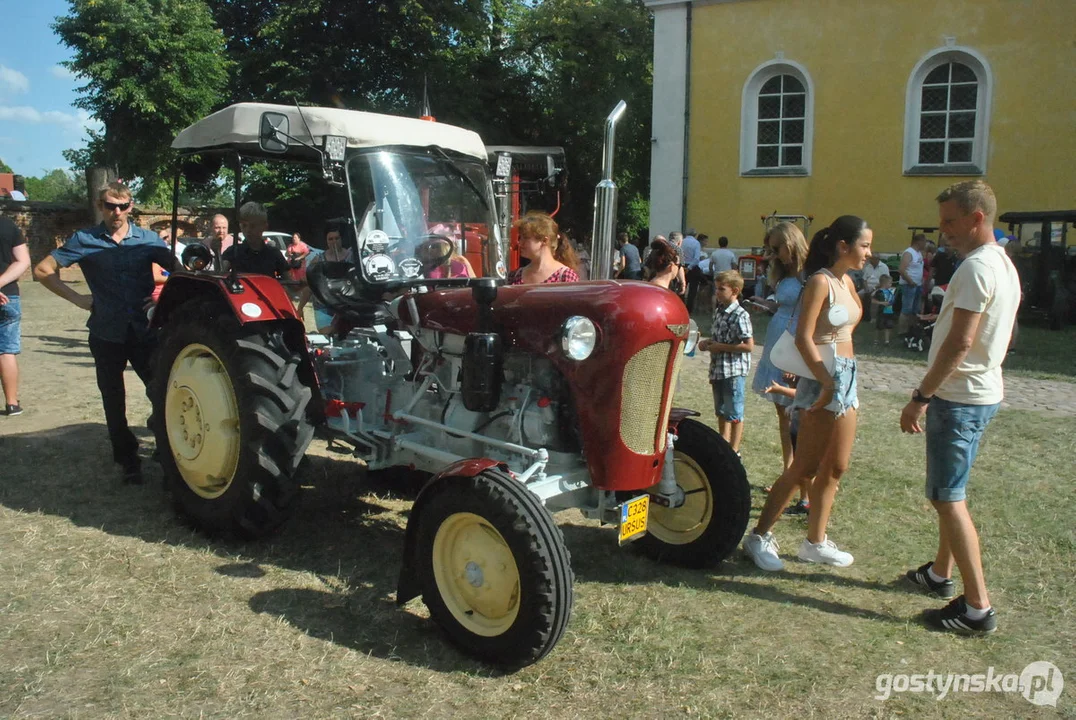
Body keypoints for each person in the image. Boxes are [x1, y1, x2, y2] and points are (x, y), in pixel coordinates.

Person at [900, 180, 1019, 635]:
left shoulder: (975, 268)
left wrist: (921, 397)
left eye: (950, 222)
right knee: (953, 491)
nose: (942, 230)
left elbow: (961, 342)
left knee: (947, 498)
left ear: (977, 219)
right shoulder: (1002, 264)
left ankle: (977, 609)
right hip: (982, 392)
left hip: (960, 398)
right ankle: (939, 575)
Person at [742, 215, 871, 571]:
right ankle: (759, 536)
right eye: (864, 245)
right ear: (843, 247)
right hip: (823, 378)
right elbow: (803, 336)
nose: (869, 253)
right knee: (805, 466)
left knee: (836, 466)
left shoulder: (848, 282)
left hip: (847, 377)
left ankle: (815, 541)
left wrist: (840, 380)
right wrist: (825, 382)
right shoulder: (820, 282)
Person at [33, 182, 175, 483]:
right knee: (113, 399)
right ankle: (128, 462)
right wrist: (78, 299)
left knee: (163, 392)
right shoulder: (85, 239)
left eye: (123, 206)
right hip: (106, 332)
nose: (117, 212)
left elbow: (181, 272)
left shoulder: (148, 240)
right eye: (110, 206)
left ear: (131, 206)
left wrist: (163, 299)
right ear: (100, 206)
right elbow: (43, 270)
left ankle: (168, 451)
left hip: (144, 331)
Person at [749, 221, 809, 508]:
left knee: (798, 417)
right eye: (770, 249)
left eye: (777, 247)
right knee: (782, 417)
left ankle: (802, 482)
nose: (774, 254)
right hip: (777, 338)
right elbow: (785, 305)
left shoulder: (810, 273)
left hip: (797, 343)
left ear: (791, 242)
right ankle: (789, 473)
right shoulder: (784, 272)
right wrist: (766, 304)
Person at [699, 270, 753, 454]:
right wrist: (707, 343)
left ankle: (734, 449)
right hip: (718, 368)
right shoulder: (719, 311)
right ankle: (724, 444)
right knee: (721, 410)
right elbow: (717, 337)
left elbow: (748, 345)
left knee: (735, 411)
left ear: (735, 291)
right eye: (716, 289)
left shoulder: (740, 314)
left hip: (733, 370)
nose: (717, 293)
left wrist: (721, 347)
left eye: (722, 289)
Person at [0, 215, 30, 416]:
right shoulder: (8, 225)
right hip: (7, 295)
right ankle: (11, 403)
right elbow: (23, 261)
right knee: (6, 350)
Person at [297, 225, 352, 333]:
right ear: (326, 241)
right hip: (324, 307)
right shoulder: (318, 260)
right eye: (330, 239)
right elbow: (310, 286)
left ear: (341, 239)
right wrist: (300, 308)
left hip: (348, 306)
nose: (334, 242)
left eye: (337, 238)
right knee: (328, 333)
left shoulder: (351, 257)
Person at [221, 202, 291, 279]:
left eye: (253, 226)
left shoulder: (273, 253)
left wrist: (300, 285)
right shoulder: (233, 251)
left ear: (264, 226)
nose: (248, 230)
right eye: (244, 225)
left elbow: (290, 283)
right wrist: (217, 252)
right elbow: (220, 275)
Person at [507, 211, 579, 285]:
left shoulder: (565, 277)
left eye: (525, 238)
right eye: (520, 238)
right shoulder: (514, 276)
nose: (520, 243)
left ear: (544, 240)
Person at [898, 232, 928, 335]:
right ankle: (902, 331)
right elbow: (902, 270)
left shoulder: (918, 253)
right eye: (924, 242)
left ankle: (911, 329)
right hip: (909, 285)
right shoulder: (909, 253)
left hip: (917, 285)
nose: (925, 244)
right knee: (906, 309)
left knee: (915, 309)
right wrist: (910, 281)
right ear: (918, 242)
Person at [858, 253, 891, 319]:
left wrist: (875, 288)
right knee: (858, 295)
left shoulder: (884, 267)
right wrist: (866, 288)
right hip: (868, 286)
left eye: (871, 259)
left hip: (879, 287)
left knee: (872, 295)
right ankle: (860, 314)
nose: (870, 260)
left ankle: (873, 317)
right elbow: (864, 280)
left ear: (877, 259)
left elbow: (886, 281)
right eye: (870, 259)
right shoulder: (868, 267)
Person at [872, 273, 897, 344]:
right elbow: (873, 300)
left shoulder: (890, 291)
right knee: (879, 326)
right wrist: (882, 303)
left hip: (889, 311)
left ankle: (887, 341)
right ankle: (876, 340)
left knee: (888, 326)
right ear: (884, 283)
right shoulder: (879, 292)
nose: (891, 284)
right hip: (881, 312)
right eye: (889, 283)